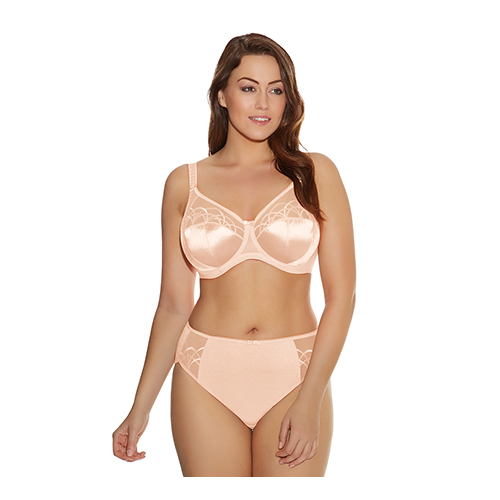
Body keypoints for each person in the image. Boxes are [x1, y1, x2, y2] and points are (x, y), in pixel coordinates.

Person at [112, 33, 356, 477]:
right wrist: (139, 408)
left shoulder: (314, 173)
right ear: (222, 95)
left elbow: (342, 297)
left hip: (295, 374)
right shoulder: (184, 184)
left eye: (276, 90)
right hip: (204, 376)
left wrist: (312, 396)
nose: (263, 103)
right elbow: (173, 305)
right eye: (248, 87)